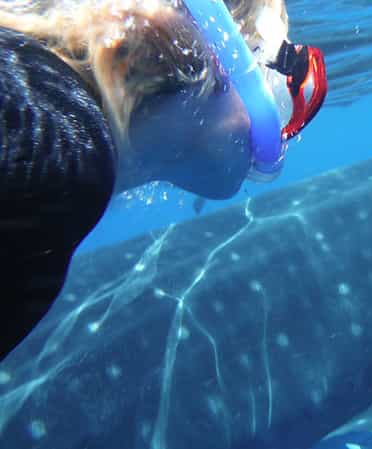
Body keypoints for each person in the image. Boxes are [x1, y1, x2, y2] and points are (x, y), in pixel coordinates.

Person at [0, 0, 327, 359]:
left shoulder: (49, 119)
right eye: (280, 84)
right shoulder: (60, 157)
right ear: (222, 59)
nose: (282, 131)